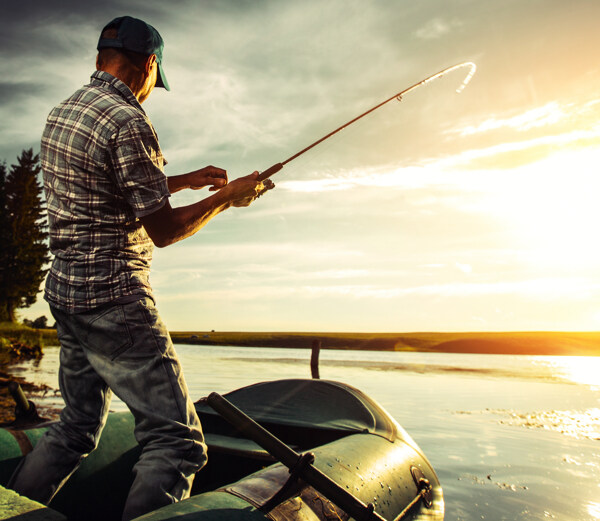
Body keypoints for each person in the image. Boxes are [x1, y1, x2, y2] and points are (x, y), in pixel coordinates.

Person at [8, 15, 271, 521]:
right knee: (178, 444)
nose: (153, 90)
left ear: (103, 57)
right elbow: (165, 232)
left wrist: (182, 180)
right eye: (156, 77)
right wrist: (229, 198)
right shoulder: (129, 120)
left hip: (65, 292)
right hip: (115, 299)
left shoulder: (62, 113)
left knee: (77, 426)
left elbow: (104, 185)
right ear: (149, 64)